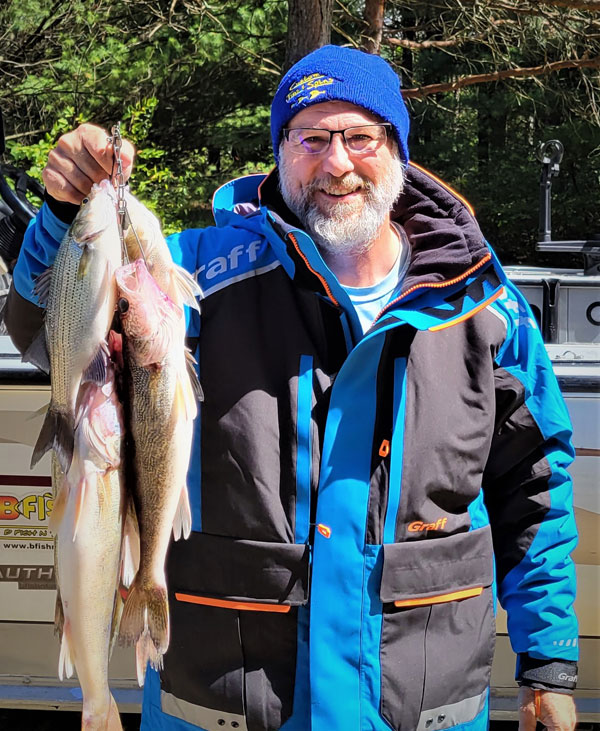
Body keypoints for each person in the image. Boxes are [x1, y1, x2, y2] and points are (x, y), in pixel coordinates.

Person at [4, 45, 579, 731]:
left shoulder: (484, 306)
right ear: (279, 153)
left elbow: (535, 491)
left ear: (397, 149)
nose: (336, 163)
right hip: (222, 707)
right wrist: (65, 216)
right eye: (311, 138)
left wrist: (548, 663)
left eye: (359, 136)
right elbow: (48, 332)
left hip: (422, 707)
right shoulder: (192, 274)